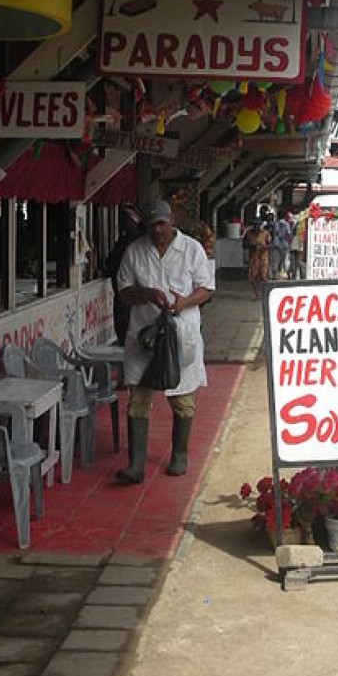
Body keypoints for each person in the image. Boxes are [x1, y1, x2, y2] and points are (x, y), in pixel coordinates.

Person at [116, 198, 215, 482]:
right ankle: (135, 465)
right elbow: (123, 291)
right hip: (144, 336)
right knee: (138, 398)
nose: (157, 230)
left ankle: (180, 456)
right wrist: (147, 294)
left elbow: (206, 288)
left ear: (171, 221)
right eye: (151, 225)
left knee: (182, 398)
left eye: (161, 223)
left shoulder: (192, 249)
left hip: (180, 334)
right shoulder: (134, 251)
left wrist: (184, 302)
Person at [104, 202, 143, 345]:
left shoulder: (137, 242)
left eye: (124, 220)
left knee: (128, 328)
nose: (121, 224)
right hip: (120, 292)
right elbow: (111, 262)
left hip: (131, 292)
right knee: (121, 327)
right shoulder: (123, 240)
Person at [243, 218, 271, 299]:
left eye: (258, 225)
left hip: (263, 256)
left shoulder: (266, 233)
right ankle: (256, 294)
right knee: (252, 276)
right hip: (253, 257)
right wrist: (251, 246)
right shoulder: (248, 234)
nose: (256, 227)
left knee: (264, 276)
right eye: (255, 225)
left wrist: (263, 247)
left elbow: (270, 244)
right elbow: (244, 245)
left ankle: (266, 293)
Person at [270, 212, 292, 278]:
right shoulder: (287, 224)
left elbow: (273, 234)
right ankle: (288, 274)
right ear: (285, 217)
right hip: (285, 244)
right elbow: (288, 234)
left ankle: (275, 275)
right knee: (286, 260)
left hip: (276, 244)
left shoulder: (275, 224)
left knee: (276, 259)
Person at [287, 211, 303, 280]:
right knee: (295, 261)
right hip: (297, 243)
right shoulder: (297, 224)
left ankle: (294, 274)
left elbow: (291, 235)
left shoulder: (294, 224)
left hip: (296, 243)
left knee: (295, 260)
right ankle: (294, 274)